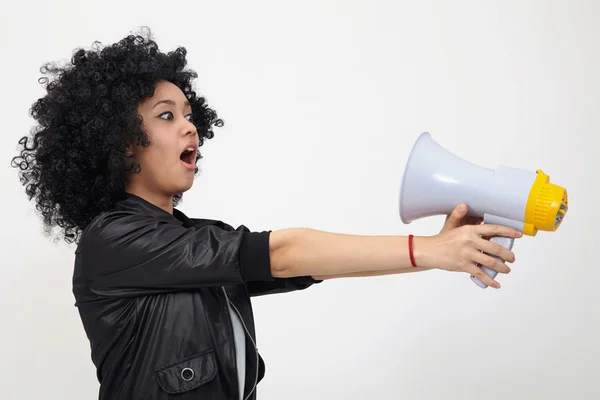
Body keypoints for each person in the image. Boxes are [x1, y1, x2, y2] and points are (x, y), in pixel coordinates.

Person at [11, 28, 522, 400]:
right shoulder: (113, 240)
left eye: (190, 115)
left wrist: (438, 251)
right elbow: (284, 250)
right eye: (167, 116)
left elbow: (305, 263)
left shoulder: (191, 238)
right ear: (121, 143)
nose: (190, 128)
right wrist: (431, 251)